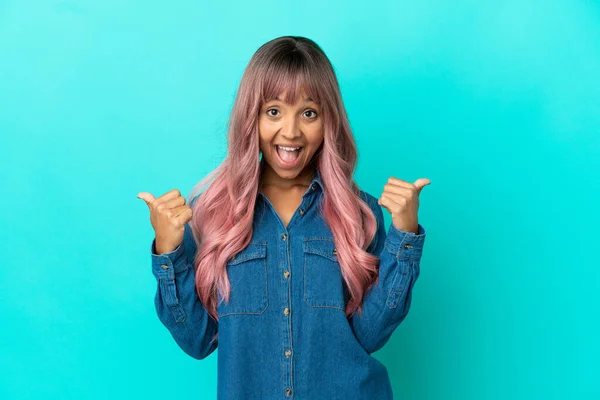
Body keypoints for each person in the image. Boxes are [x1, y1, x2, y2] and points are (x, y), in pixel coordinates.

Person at [137, 35, 429, 400]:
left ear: (328, 121)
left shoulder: (360, 214)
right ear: (252, 117)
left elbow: (369, 335)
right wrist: (168, 251)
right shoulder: (213, 214)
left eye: (309, 113)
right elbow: (197, 340)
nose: (291, 131)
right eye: (273, 111)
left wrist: (404, 237)